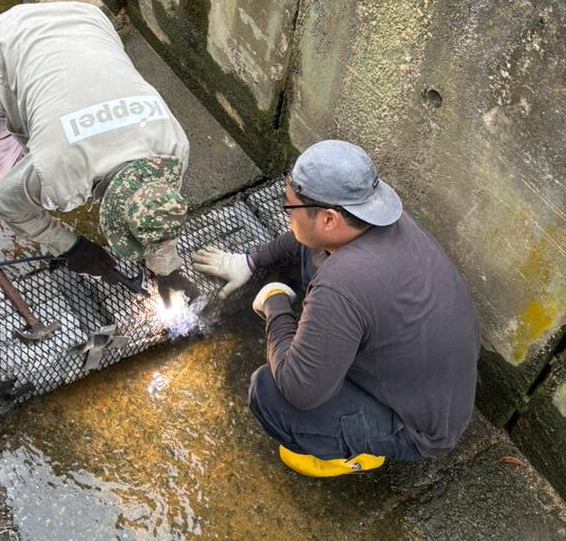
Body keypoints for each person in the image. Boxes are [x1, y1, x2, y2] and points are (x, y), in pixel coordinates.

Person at [192, 140, 480, 477]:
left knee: (269, 393)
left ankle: (361, 452)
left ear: (329, 218)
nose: (288, 218)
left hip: (419, 429)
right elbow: (305, 240)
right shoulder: (376, 224)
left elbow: (298, 388)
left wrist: (275, 303)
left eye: (290, 210)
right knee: (310, 251)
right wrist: (250, 262)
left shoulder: (342, 284)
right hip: (433, 384)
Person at [0, 1, 197, 308]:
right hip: (7, 43)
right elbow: (5, 203)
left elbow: (156, 206)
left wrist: (166, 267)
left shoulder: (173, 148)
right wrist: (70, 245)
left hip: (88, 19)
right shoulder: (59, 170)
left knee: (44, 132)